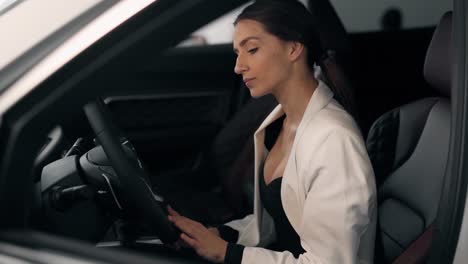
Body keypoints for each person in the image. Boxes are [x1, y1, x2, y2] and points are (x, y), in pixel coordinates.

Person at [167, 1, 377, 263]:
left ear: (293, 48)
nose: (238, 66)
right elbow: (280, 221)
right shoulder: (280, 123)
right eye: (237, 52)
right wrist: (218, 235)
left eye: (252, 49)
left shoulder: (334, 141)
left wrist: (227, 253)